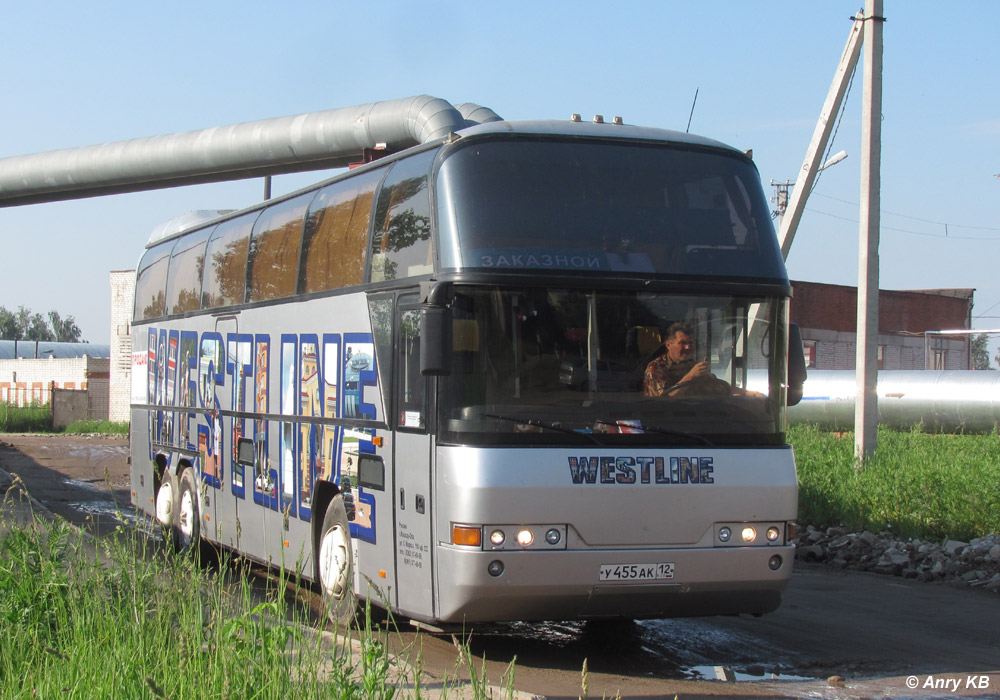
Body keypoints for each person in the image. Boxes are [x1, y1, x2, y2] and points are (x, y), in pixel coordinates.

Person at [642, 322, 733, 397]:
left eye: (691, 343)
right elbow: (662, 401)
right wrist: (691, 376)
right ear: (668, 345)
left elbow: (719, 387)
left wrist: (745, 394)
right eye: (683, 343)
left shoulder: (693, 365)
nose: (688, 347)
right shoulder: (655, 368)